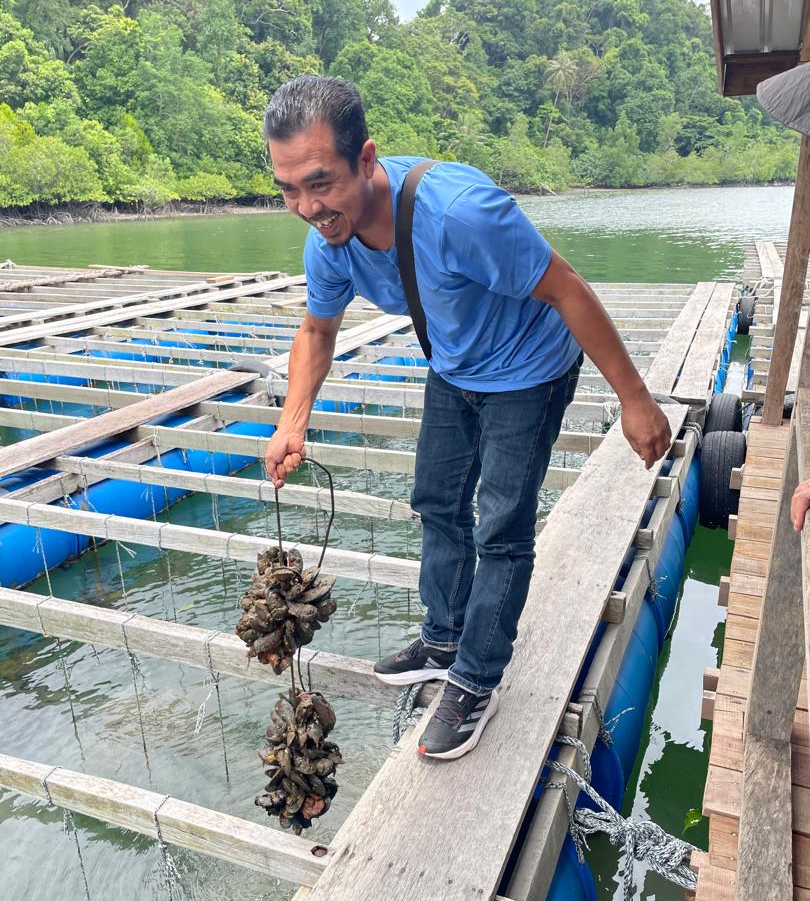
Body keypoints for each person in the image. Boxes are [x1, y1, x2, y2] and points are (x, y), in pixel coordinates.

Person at [262, 75, 671, 760]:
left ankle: (477, 678)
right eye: (288, 189)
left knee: (502, 524)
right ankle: (444, 635)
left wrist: (635, 399)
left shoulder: (460, 213)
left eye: (321, 182)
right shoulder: (326, 241)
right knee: (435, 500)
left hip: (529, 370)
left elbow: (566, 287)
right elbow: (317, 331)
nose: (308, 206)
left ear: (366, 159)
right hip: (453, 364)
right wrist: (292, 421)